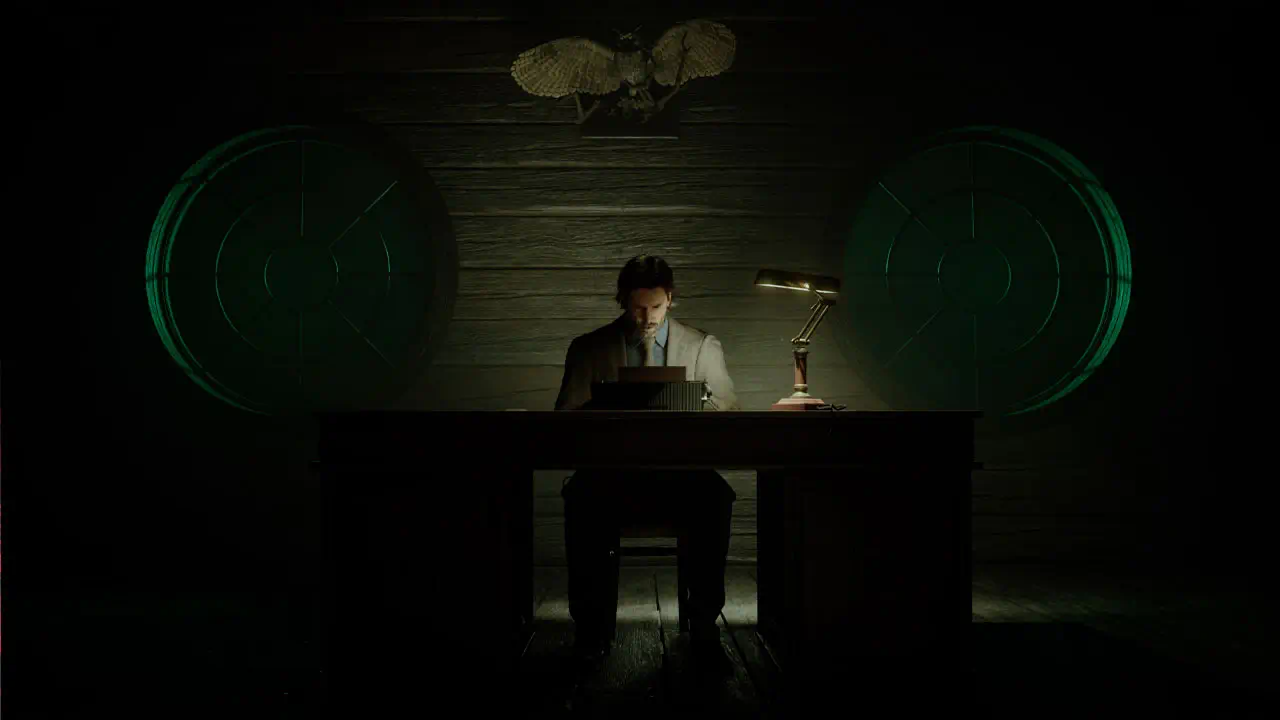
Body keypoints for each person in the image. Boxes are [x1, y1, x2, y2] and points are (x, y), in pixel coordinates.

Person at [554, 254, 738, 673]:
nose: (646, 318)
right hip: (611, 475)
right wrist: (603, 411)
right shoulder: (589, 348)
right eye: (637, 308)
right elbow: (564, 419)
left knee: (715, 496)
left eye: (655, 307)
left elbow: (729, 412)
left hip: (681, 474)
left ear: (670, 298)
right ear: (622, 301)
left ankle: (705, 626)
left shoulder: (702, 346)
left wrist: (691, 403)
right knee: (582, 497)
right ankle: (590, 630)